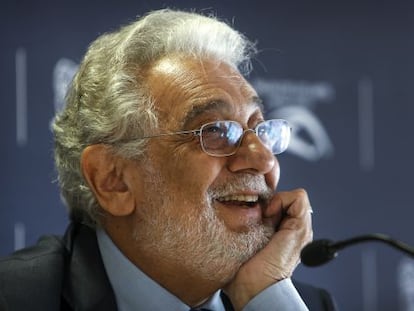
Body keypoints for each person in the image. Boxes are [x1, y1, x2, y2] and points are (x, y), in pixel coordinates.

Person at [0, 9, 337, 311]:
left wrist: (268, 297)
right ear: (113, 180)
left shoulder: (293, 303)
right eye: (216, 130)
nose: (263, 159)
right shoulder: (15, 298)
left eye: (260, 129)